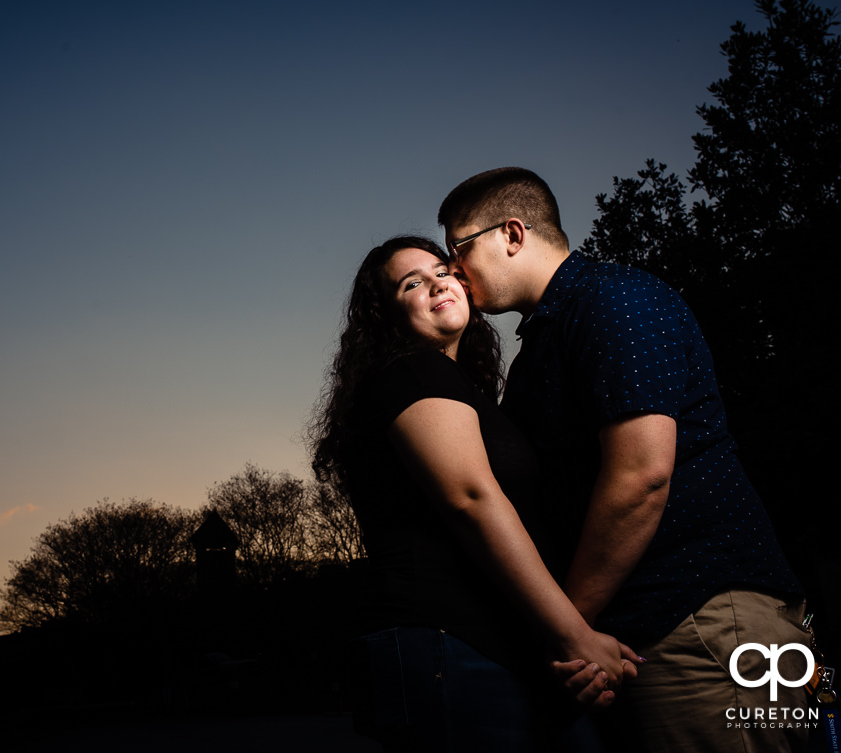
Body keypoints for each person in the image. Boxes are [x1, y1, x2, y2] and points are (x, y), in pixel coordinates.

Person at [437, 167, 811, 753]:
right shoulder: (545, 338)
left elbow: (641, 476)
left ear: (512, 233)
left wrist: (567, 628)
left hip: (704, 623)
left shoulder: (611, 299)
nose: (451, 268)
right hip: (645, 635)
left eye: (458, 247)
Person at [310, 235, 637, 752]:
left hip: (484, 645)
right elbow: (472, 500)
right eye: (412, 282)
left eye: (442, 270)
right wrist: (574, 635)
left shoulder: (462, 388)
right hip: (442, 641)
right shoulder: (414, 371)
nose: (438, 282)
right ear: (386, 316)